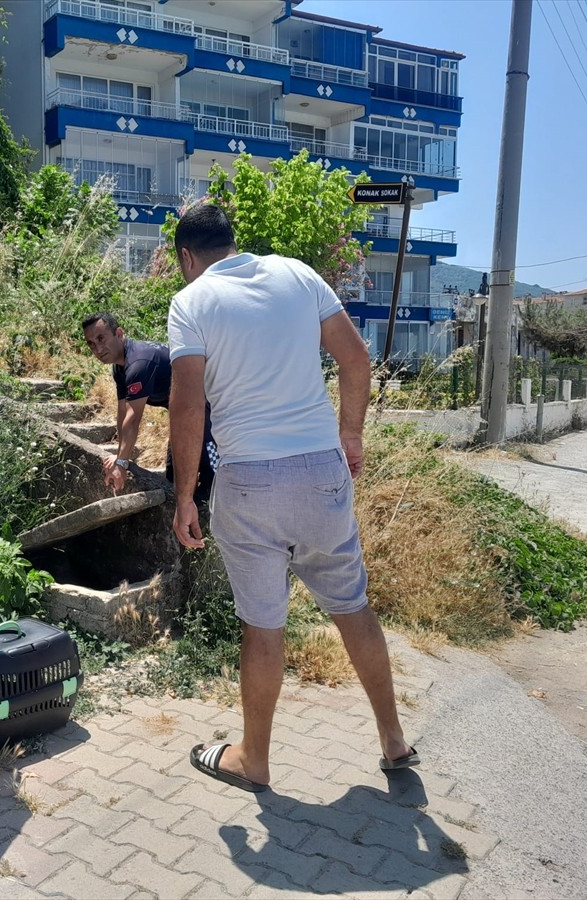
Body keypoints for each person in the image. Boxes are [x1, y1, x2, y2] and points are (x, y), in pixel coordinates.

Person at [166, 204, 418, 794]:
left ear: (187, 257)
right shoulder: (298, 274)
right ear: (233, 242)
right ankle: (393, 740)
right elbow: (356, 359)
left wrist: (185, 496)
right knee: (352, 606)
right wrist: (350, 436)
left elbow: (188, 405)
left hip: (249, 481)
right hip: (321, 471)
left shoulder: (192, 302)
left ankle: (253, 760)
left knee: (263, 626)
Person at [81, 312, 215, 504]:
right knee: (174, 480)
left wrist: (121, 463)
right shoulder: (120, 368)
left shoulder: (139, 362)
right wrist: (120, 455)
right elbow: (122, 413)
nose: (98, 349)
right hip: (184, 413)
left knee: (211, 480)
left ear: (119, 334)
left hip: (211, 405)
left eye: (101, 338)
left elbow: (133, 418)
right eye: (91, 344)